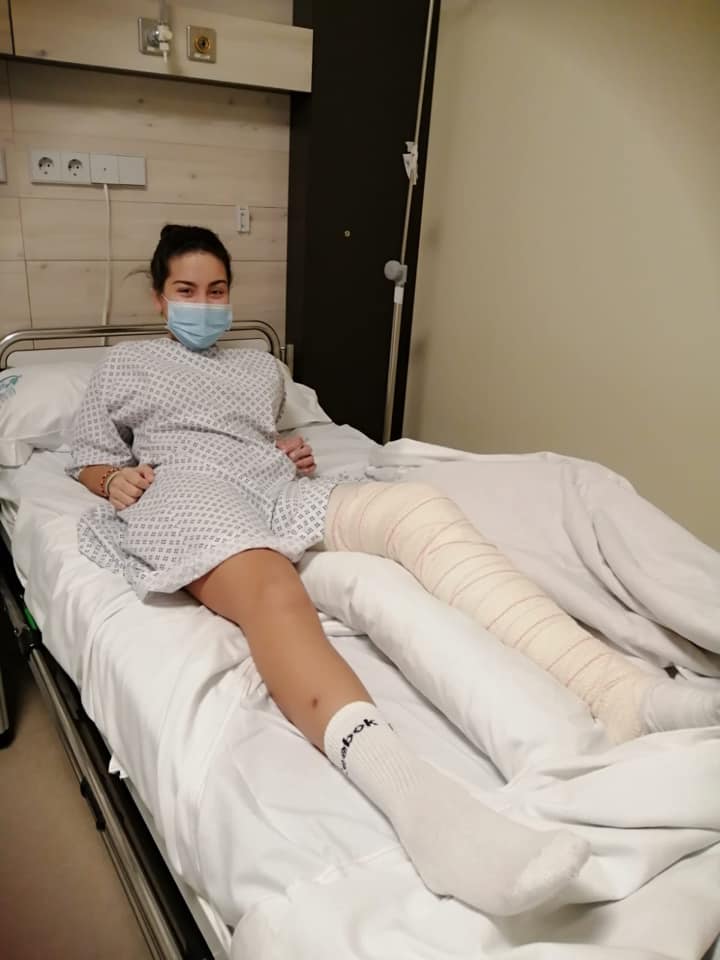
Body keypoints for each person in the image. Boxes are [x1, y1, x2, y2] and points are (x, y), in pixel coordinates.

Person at [69, 225, 719, 917]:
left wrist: (288, 450)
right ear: (159, 297)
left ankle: (619, 693)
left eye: (217, 290)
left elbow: (257, 433)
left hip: (273, 486)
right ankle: (424, 809)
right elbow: (84, 452)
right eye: (186, 290)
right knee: (274, 588)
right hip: (187, 489)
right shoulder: (125, 363)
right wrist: (111, 479)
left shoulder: (261, 368)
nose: (203, 304)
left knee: (417, 509)